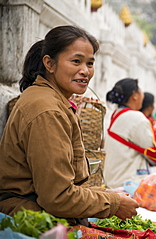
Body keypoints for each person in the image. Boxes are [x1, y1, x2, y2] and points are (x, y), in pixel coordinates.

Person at [0, 25, 138, 225]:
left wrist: (108, 196)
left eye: (90, 63)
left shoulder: (53, 100)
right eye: (76, 61)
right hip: (31, 218)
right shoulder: (48, 110)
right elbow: (57, 198)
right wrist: (114, 203)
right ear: (49, 63)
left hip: (42, 211)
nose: (85, 71)